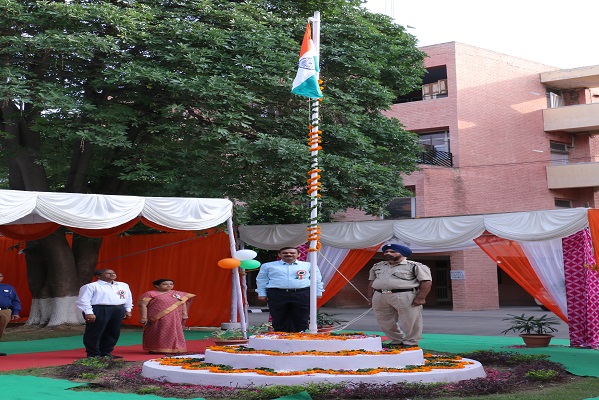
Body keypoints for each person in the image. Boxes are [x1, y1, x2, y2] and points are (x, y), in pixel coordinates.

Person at [368, 244, 432, 347]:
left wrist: (421, 298)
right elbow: (372, 282)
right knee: (384, 320)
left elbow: (426, 282)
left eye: (393, 251)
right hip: (380, 295)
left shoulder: (415, 266)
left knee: (410, 320)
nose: (388, 253)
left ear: (402, 254)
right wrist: (371, 297)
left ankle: (411, 342)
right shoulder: (378, 266)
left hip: (404, 294)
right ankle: (396, 340)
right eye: (386, 251)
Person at [256, 247, 324, 332]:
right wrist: (262, 293)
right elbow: (262, 280)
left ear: (298, 254)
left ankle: (300, 336)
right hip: (277, 294)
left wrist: (318, 292)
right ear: (279, 254)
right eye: (285, 253)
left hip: (301, 293)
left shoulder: (308, 265)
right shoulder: (268, 266)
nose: (289, 254)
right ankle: (280, 336)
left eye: (292, 253)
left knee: (301, 317)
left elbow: (316, 279)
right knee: (278, 317)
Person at [76, 269, 133, 358]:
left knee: (113, 331)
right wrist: (88, 312)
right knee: (95, 331)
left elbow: (128, 298)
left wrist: (128, 309)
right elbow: (83, 300)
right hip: (99, 309)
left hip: (118, 309)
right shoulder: (91, 286)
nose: (112, 274)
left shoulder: (123, 285)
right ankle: (93, 354)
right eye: (108, 273)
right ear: (98, 276)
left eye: (113, 273)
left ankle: (106, 352)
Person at [138, 279, 195, 354]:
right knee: (157, 332)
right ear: (157, 285)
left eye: (171, 284)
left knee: (174, 332)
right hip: (157, 318)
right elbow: (143, 305)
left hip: (175, 318)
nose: (169, 286)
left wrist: (184, 314)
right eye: (165, 284)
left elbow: (183, 303)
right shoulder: (150, 294)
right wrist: (143, 317)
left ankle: (175, 348)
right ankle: (155, 349)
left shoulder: (178, 294)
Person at [0, 272, 21, 356]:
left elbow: (15, 301)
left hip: (5, 311)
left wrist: (15, 312)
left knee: (0, 331)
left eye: (0, 276)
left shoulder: (9, 288)